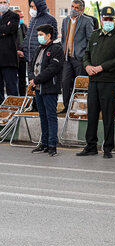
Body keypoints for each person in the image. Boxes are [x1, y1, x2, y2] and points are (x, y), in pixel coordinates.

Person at [77, 6, 115, 159]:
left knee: (107, 116)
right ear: (101, 20)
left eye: (110, 19)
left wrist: (101, 67)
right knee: (92, 114)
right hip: (93, 81)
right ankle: (91, 145)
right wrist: (87, 66)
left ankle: (108, 148)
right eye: (105, 19)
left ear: (114, 20)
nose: (108, 21)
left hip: (109, 81)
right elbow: (86, 53)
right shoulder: (94, 35)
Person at [29, 24, 64, 157]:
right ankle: (43, 143)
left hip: (49, 88)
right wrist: (32, 79)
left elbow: (52, 69)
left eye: (41, 35)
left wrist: (36, 80)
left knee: (51, 117)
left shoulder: (56, 49)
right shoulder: (38, 49)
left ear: (49, 36)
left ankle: (52, 145)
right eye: (38, 35)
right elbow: (31, 66)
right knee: (42, 116)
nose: (39, 37)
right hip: (38, 88)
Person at [60, 0, 94, 113]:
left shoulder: (87, 21)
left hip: (80, 58)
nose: (73, 9)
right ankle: (67, 107)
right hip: (67, 58)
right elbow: (63, 39)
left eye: (77, 8)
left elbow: (90, 40)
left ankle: (80, 107)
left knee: (80, 83)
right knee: (65, 82)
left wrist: (85, 55)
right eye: (72, 7)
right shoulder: (65, 21)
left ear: (82, 9)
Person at [22, 0, 58, 65]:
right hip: (29, 57)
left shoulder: (50, 19)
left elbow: (53, 37)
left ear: (39, 6)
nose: (31, 9)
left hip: (41, 58)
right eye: (30, 6)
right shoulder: (32, 19)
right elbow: (28, 36)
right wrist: (24, 50)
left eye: (33, 6)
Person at [0, 0, 20, 103]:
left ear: (8, 3)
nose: (2, 4)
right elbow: (6, 29)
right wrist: (4, 30)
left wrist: (6, 29)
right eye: (1, 1)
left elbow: (11, 28)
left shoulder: (14, 16)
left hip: (9, 59)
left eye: (4, 1)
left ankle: (14, 113)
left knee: (11, 88)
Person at [14, 9, 28, 97]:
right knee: (13, 79)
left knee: (22, 79)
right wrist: (16, 51)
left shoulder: (24, 26)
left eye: (22, 17)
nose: (21, 18)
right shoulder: (11, 27)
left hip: (23, 57)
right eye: (20, 17)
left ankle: (22, 97)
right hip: (13, 57)